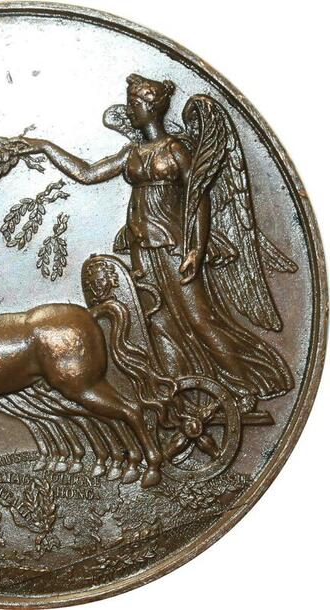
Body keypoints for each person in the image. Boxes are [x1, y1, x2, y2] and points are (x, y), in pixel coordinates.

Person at [22, 74, 293, 406]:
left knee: (200, 319)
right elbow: (88, 173)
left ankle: (244, 387)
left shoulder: (176, 150)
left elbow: (198, 199)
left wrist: (196, 249)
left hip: (174, 247)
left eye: (134, 103)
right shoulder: (131, 153)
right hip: (143, 248)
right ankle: (183, 396)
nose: (130, 110)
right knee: (157, 322)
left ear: (151, 107)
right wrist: (46, 147)